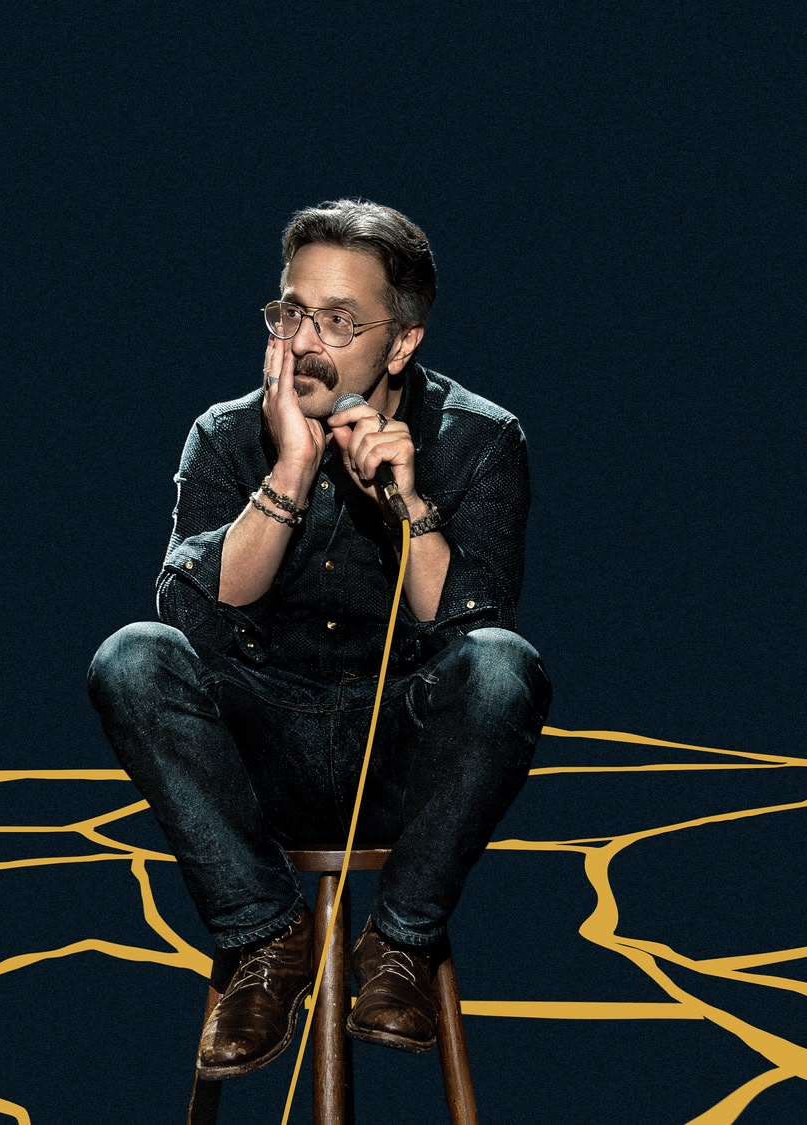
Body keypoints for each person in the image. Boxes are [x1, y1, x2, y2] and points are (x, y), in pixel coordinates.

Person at [86, 198, 551, 1079]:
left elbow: (481, 638)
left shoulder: (481, 439)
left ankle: (400, 944)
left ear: (401, 344)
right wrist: (293, 469)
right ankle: (267, 935)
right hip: (257, 765)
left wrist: (409, 506)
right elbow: (189, 625)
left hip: (405, 761)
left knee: (504, 669)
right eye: (290, 312)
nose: (303, 342)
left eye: (337, 321)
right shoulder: (226, 435)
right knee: (131, 657)